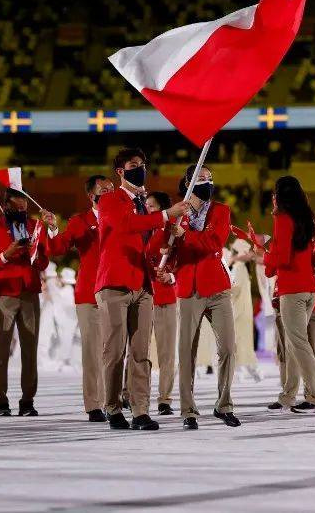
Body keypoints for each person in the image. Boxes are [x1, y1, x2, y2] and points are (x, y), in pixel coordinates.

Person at [94, 147, 188, 431]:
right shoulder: (110, 200)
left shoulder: (143, 206)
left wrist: (168, 233)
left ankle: (140, 410)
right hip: (113, 284)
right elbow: (125, 225)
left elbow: (145, 242)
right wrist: (164, 215)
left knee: (141, 352)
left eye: (143, 164)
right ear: (120, 172)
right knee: (114, 351)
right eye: (134, 165)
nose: (141, 168)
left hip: (142, 285)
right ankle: (112, 407)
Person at [167, 165, 240, 429]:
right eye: (201, 178)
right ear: (188, 182)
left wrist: (186, 236)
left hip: (217, 288)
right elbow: (170, 251)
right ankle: (188, 411)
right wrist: (168, 252)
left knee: (229, 348)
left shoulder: (221, 210)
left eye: (210, 179)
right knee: (186, 351)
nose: (207, 183)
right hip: (188, 287)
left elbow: (214, 242)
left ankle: (224, 405)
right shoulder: (178, 213)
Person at [254, 175, 315, 414]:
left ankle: (314, 397)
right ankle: (288, 396)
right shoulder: (307, 217)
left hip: (292, 289)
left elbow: (281, 258)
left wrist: (265, 257)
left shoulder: (283, 218)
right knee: (296, 344)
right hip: (309, 289)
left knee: (297, 343)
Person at [46, 175, 113, 421]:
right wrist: (53, 229)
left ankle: (114, 399)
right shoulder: (80, 221)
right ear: (91, 195)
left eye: (111, 188)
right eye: (103, 190)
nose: (108, 192)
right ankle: (95, 404)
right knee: (94, 351)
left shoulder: (123, 216)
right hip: (90, 293)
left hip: (118, 290)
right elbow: (57, 249)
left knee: (115, 350)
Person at [0, 187, 50, 417]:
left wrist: (35, 254)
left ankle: (27, 400)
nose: (23, 207)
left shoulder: (35, 226)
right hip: (4, 292)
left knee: (30, 348)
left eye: (25, 203)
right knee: (1, 349)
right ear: (7, 204)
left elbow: (44, 262)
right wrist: (5, 254)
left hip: (30, 291)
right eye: (18, 203)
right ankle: (0, 401)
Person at [144, 190, 179, 416]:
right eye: (146, 206)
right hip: (142, 296)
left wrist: (172, 275)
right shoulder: (140, 228)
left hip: (165, 296)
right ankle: (134, 394)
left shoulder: (173, 230)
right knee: (139, 352)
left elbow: (182, 259)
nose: (148, 210)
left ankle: (164, 398)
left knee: (166, 353)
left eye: (153, 207)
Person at [226, 238, 263, 383]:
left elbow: (234, 289)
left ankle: (246, 371)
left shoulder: (239, 267)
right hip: (243, 310)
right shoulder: (242, 267)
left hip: (238, 311)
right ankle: (251, 371)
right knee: (242, 342)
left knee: (238, 342)